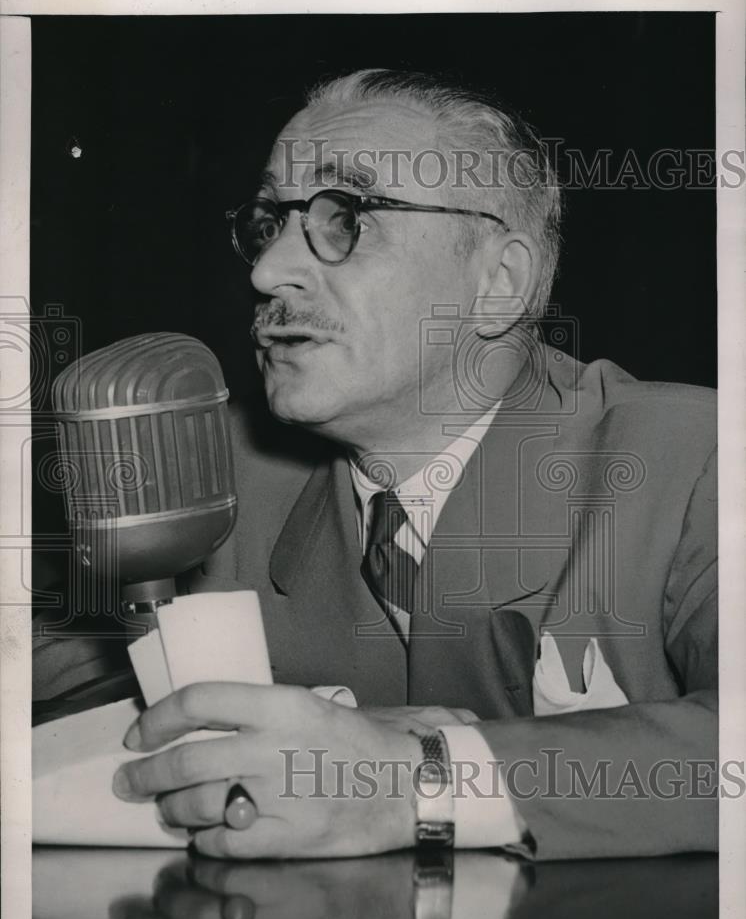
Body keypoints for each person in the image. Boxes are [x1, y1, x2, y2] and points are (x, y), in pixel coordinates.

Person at [111, 69, 717, 861]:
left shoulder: (695, 459)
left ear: (499, 284)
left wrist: (417, 781)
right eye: (269, 223)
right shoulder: (200, 471)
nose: (266, 274)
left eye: (346, 216)